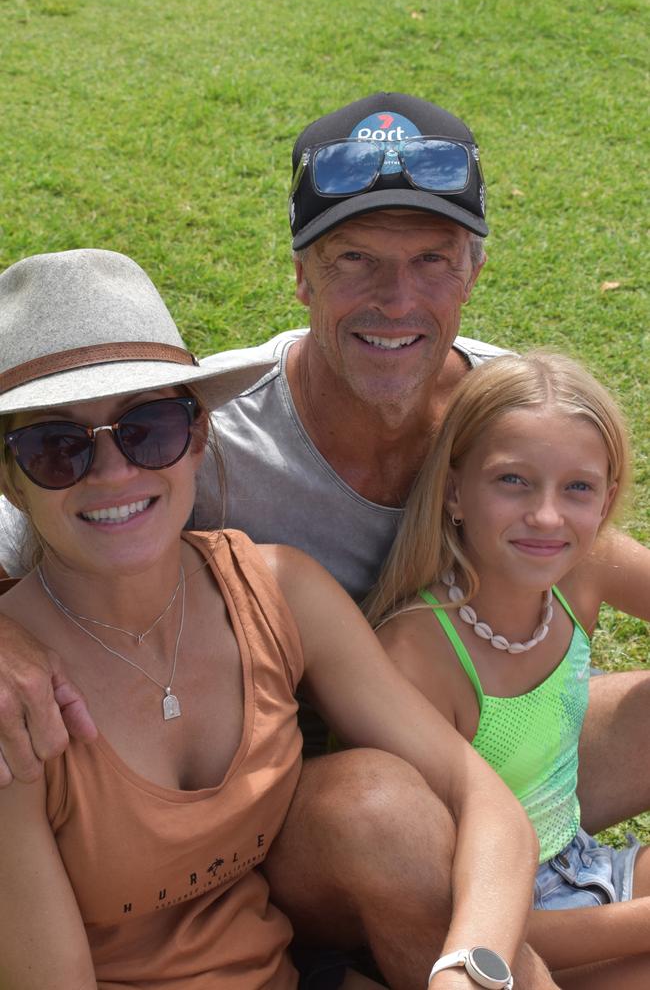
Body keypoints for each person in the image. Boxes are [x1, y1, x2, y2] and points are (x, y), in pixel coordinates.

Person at [0, 91, 647, 966]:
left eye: (432, 259)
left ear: (473, 272)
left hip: (490, 758)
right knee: (382, 807)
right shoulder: (192, 447)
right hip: (317, 811)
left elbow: (594, 547)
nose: (396, 299)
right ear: (302, 274)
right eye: (354, 261)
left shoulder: (502, 418)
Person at [0, 247, 554, 990]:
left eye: (149, 428)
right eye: (56, 448)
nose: (114, 473)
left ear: (198, 436)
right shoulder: (17, 701)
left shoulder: (276, 590)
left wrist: (468, 967)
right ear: (9, 479)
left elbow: (478, 795)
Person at [367, 351, 650, 988]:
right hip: (504, 927)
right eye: (513, 481)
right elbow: (452, 921)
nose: (547, 516)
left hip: (581, 864)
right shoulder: (417, 658)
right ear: (455, 491)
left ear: (605, 501)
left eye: (576, 488)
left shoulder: (587, 568)